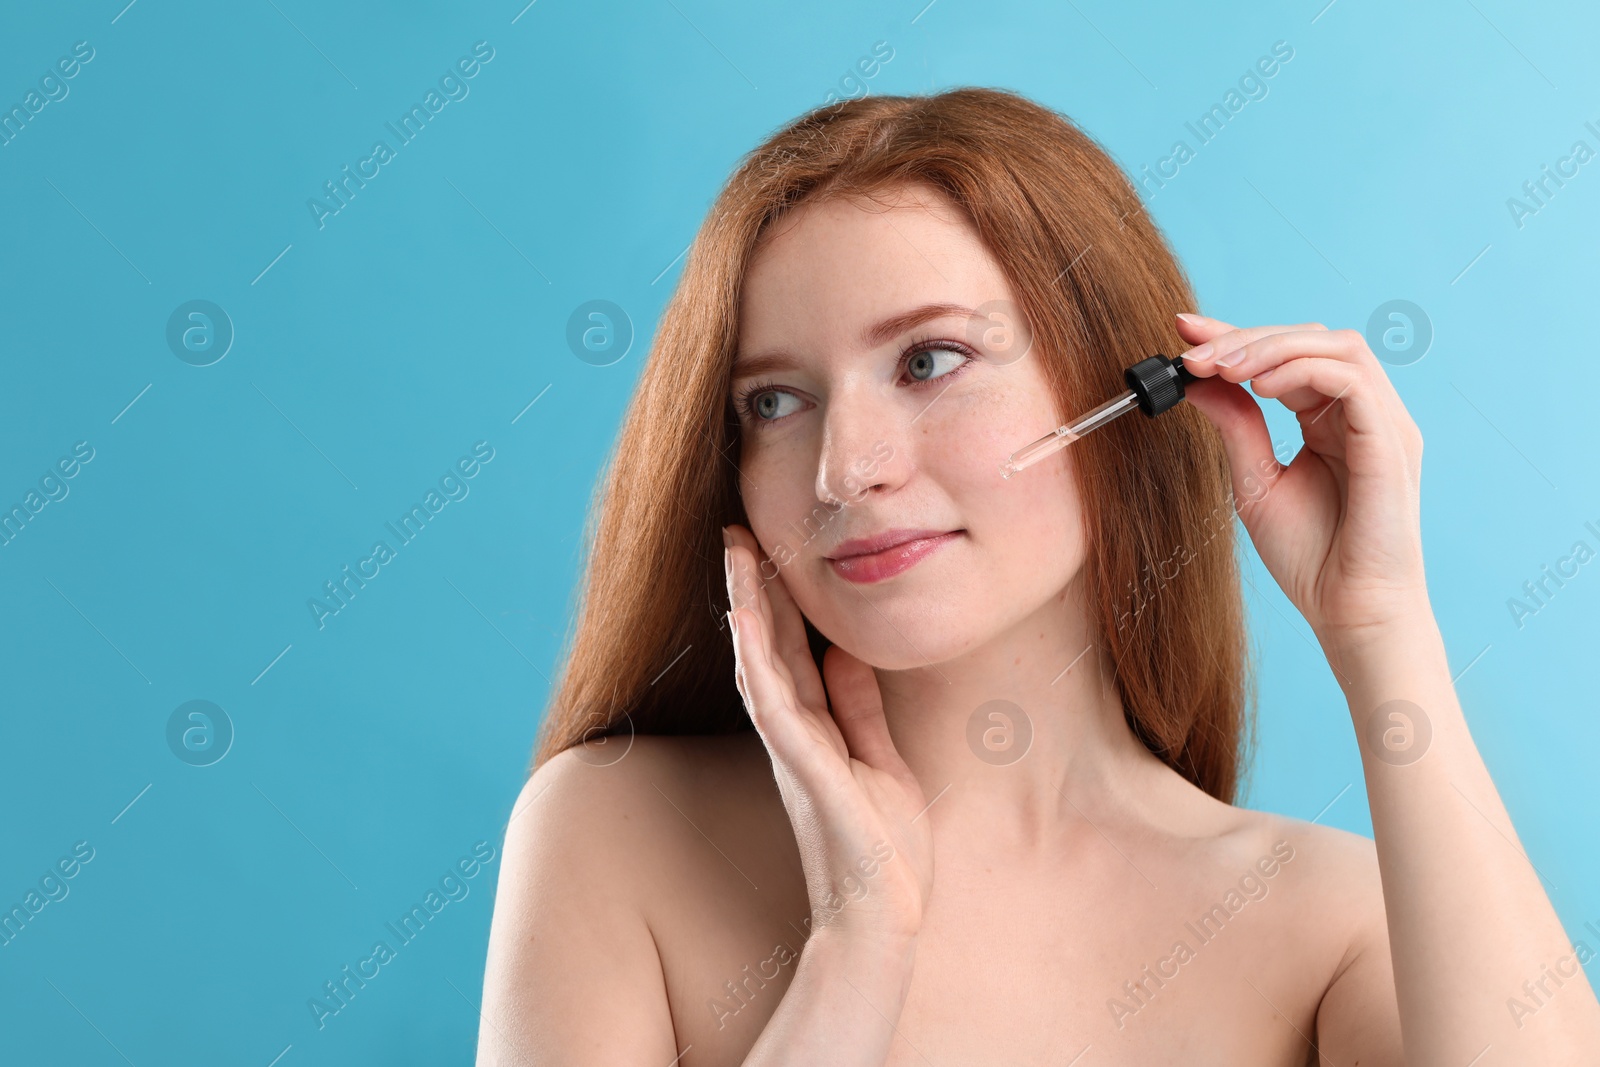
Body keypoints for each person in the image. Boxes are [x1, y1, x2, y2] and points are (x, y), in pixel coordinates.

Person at [475, 87, 1600, 1065]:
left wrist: (1381, 627)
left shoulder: (1321, 922)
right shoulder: (614, 828)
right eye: (774, 399)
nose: (842, 469)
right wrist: (854, 956)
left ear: (1121, 395)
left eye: (930, 360)